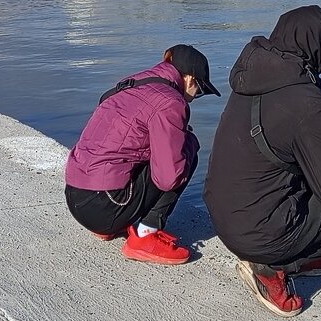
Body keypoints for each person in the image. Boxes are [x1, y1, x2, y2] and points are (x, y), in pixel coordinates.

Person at [204, 6, 321, 317]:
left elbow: (287, 116)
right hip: (259, 237)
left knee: (309, 172)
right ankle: (276, 266)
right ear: (315, 47)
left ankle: (292, 255)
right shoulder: (312, 107)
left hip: (226, 218)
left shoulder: (255, 76)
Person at [65, 45, 220, 266]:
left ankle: (111, 225)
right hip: (104, 207)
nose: (195, 98)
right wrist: (184, 140)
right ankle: (146, 234)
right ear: (190, 79)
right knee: (187, 148)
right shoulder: (170, 102)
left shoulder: (131, 83)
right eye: (200, 90)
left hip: (75, 195)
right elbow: (169, 178)